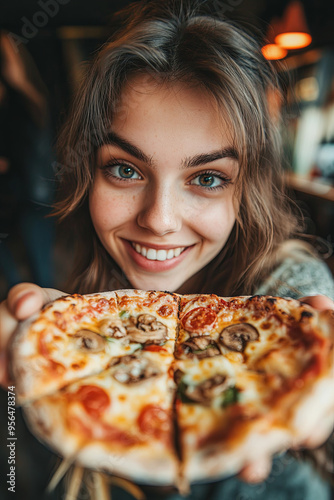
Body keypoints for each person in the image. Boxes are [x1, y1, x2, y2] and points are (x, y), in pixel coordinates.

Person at [1, 1, 334, 499]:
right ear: (88, 171)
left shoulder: (287, 292)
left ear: (248, 189)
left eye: (206, 178)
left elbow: (305, 298)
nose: (158, 219)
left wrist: (298, 383)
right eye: (126, 169)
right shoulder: (63, 284)